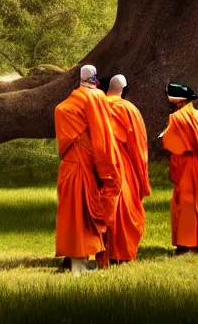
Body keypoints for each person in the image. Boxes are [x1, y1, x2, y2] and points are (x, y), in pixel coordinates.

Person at [54, 65, 122, 275]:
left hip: (70, 167)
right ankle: (77, 265)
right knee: (81, 215)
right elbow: (102, 136)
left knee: (74, 215)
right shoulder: (96, 98)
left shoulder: (66, 105)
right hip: (84, 167)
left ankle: (79, 263)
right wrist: (107, 170)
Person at [159, 82, 198, 255]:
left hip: (187, 165)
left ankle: (185, 244)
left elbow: (170, 143)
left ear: (178, 102)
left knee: (186, 204)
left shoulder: (176, 119)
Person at [102, 74, 151, 264]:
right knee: (125, 205)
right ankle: (120, 252)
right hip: (121, 162)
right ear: (123, 89)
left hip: (98, 163)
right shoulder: (128, 109)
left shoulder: (96, 106)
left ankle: (101, 251)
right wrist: (141, 173)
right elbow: (138, 144)